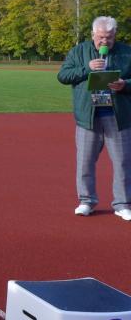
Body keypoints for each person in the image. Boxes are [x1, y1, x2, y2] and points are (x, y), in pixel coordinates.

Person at [58, 16, 131, 221]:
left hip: (118, 116)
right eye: (100, 37)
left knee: (123, 163)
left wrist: (125, 85)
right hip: (88, 117)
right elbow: (63, 76)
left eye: (109, 37)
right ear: (92, 35)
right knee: (85, 162)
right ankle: (86, 201)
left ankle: (122, 204)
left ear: (115, 35)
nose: (104, 41)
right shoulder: (79, 51)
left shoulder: (127, 52)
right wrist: (87, 68)